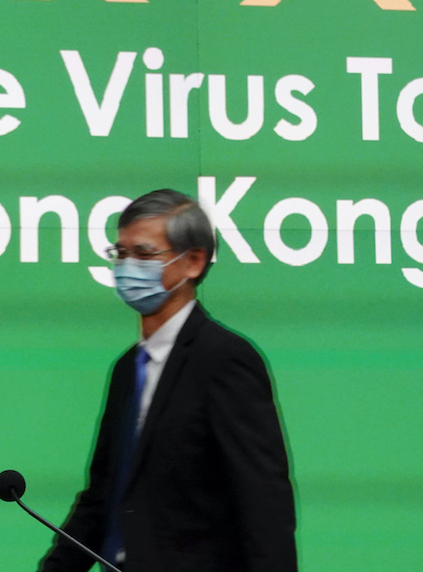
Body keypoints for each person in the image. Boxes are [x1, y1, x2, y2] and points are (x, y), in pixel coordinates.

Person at [39, 189, 297, 572]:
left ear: (193, 261)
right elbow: (103, 494)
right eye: (121, 253)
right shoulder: (128, 368)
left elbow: (264, 502)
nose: (127, 266)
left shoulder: (224, 359)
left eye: (144, 254)